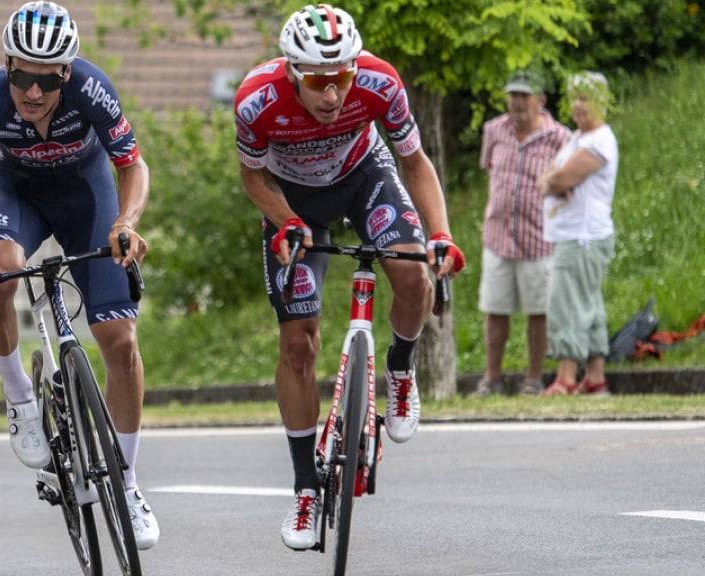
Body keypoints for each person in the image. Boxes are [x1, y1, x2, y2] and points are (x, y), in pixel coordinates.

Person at [233, 3, 465, 550]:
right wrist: (287, 220)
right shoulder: (255, 101)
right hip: (294, 202)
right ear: (293, 72)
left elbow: (415, 163)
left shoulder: (380, 83)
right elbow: (252, 176)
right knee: (297, 343)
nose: (333, 94)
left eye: (341, 78)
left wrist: (442, 234)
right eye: (318, 81)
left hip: (365, 177)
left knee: (413, 276)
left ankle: (401, 371)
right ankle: (305, 490)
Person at [0, 2, 158, 549]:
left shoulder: (92, 88)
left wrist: (127, 223)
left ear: (66, 72)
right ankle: (19, 399)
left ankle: (127, 485)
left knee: (121, 341)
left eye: (45, 79)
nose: (31, 92)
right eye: (20, 76)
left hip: (86, 192)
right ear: (7, 66)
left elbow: (132, 164)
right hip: (17, 194)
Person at [475, 71, 570, 396]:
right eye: (512, 96)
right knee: (495, 310)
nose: (516, 103)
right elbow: (489, 171)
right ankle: (492, 379)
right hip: (498, 236)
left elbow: (568, 184)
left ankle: (533, 378)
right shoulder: (494, 131)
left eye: (523, 96)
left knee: (538, 312)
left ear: (540, 101)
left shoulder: (560, 138)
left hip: (539, 238)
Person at [538, 72, 617, 396]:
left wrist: (553, 181)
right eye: (575, 98)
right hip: (574, 235)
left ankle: (566, 379)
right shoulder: (577, 138)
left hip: (582, 237)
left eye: (586, 98)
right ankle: (595, 378)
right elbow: (549, 178)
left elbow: (559, 179)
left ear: (602, 102)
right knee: (590, 303)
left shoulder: (599, 141)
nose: (578, 106)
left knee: (565, 304)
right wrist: (552, 181)